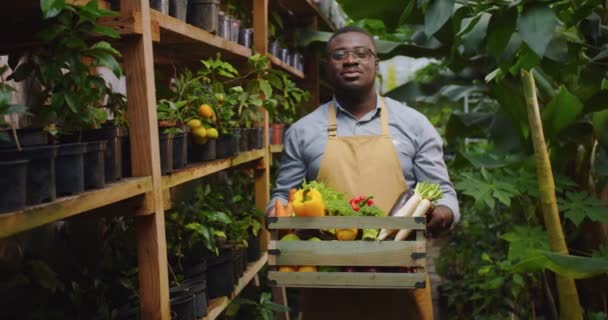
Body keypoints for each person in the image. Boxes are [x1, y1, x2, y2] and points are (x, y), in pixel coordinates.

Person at [267, 26, 460, 320]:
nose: (351, 60)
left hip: (401, 279)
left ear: (375, 62)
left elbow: (443, 192)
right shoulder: (303, 131)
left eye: (361, 53)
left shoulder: (414, 125)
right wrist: (275, 214)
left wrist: (445, 212)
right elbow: (283, 194)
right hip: (326, 282)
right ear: (326, 67)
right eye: (339, 55)